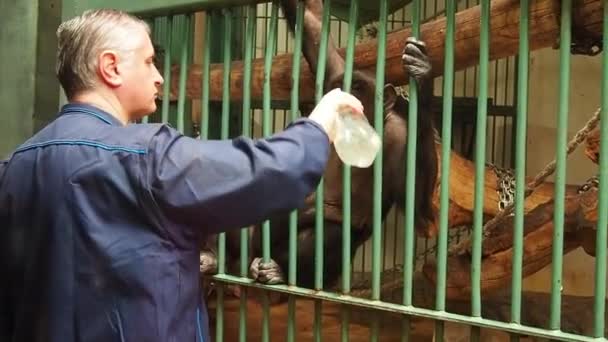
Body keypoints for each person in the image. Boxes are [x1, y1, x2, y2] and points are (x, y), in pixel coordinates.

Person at [0, 8, 364, 342]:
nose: (159, 77)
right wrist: (320, 123)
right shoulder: (145, 155)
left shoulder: (13, 167)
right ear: (110, 67)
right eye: (148, 62)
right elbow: (266, 171)